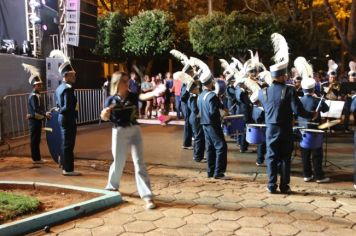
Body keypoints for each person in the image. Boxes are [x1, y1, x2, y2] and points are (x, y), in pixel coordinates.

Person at [258, 33, 316, 194]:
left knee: (271, 157)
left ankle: (271, 185)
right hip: (285, 130)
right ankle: (284, 186)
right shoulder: (289, 90)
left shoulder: (262, 93)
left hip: (270, 129)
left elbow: (263, 105)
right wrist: (312, 115)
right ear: (282, 76)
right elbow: (298, 111)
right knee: (284, 158)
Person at [100, 71, 156, 209]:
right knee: (119, 162)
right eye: (124, 81)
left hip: (134, 129)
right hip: (119, 131)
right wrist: (105, 114)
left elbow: (143, 96)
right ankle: (112, 187)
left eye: (127, 81)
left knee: (139, 162)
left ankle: (147, 196)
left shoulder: (132, 95)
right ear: (117, 83)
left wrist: (155, 92)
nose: (127, 83)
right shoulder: (111, 100)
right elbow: (104, 117)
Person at [294, 57, 330, 183]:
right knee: (317, 153)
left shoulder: (298, 101)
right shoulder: (316, 100)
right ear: (313, 89)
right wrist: (318, 97)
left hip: (302, 129)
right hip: (314, 129)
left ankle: (306, 175)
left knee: (304, 153)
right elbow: (326, 109)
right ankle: (319, 176)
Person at [197, 69, 228, 179]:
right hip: (212, 124)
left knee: (210, 148)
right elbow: (213, 112)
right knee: (221, 147)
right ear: (210, 82)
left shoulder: (200, 96)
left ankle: (210, 171)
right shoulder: (212, 96)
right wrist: (222, 114)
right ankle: (219, 172)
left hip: (204, 123)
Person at [55, 60, 81, 176]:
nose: (74, 76)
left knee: (65, 143)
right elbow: (67, 106)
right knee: (69, 144)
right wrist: (62, 110)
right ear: (66, 76)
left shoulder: (59, 88)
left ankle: (64, 166)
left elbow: (58, 104)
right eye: (72, 74)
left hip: (62, 119)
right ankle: (68, 169)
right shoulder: (68, 89)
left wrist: (59, 110)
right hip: (68, 118)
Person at [23, 63, 51, 164]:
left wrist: (43, 114)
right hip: (34, 121)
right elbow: (36, 109)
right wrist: (44, 114)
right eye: (39, 85)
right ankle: (36, 159)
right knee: (34, 140)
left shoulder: (37, 95)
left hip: (37, 120)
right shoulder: (33, 96)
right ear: (34, 86)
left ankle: (37, 158)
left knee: (36, 140)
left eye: (41, 84)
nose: (41, 86)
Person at [187, 80, 206, 162]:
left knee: (199, 137)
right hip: (196, 119)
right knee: (198, 137)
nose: (198, 88)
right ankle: (198, 157)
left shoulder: (195, 96)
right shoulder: (193, 98)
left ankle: (199, 155)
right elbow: (195, 110)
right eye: (197, 87)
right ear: (193, 89)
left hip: (196, 119)